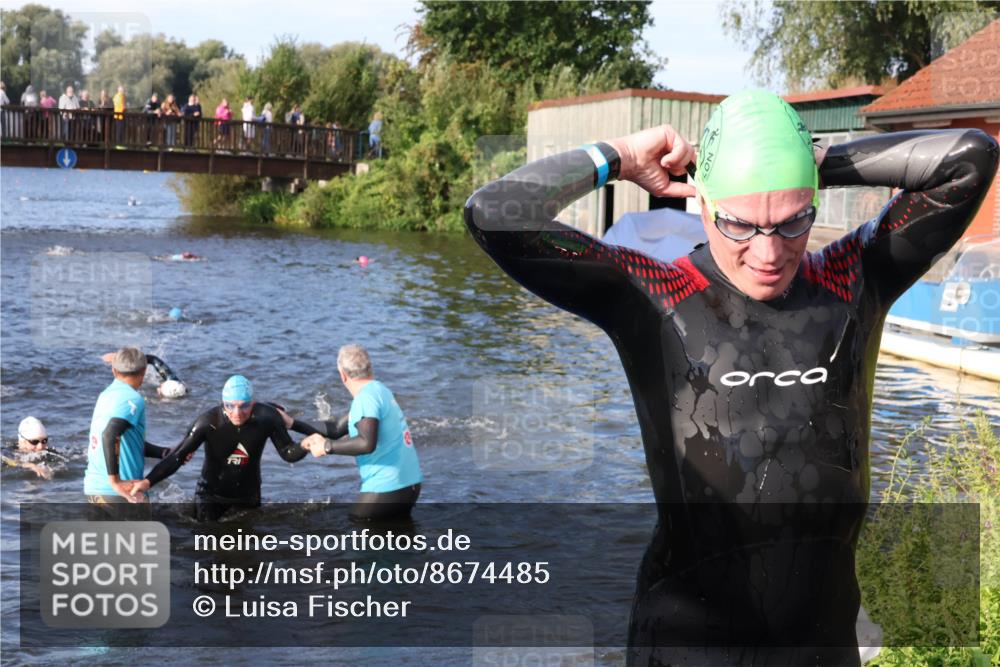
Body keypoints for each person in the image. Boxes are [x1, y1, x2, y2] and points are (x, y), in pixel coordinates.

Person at [464, 89, 999, 665]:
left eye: (794, 220)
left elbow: (968, 158)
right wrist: (617, 156)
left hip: (822, 646)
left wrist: (809, 159)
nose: (768, 251)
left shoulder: (854, 280)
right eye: (740, 225)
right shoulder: (651, 296)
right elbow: (494, 214)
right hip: (687, 645)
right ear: (702, 203)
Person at [130, 375, 309, 521]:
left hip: (248, 496)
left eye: (244, 406)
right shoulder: (208, 422)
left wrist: (306, 444)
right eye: (230, 406)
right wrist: (147, 482)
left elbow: (288, 453)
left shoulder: (267, 417)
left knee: (249, 553)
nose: (237, 413)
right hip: (210, 496)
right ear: (223, 403)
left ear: (253, 403)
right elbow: (178, 457)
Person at [285, 345, 422, 521]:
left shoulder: (365, 399)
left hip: (387, 489)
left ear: (342, 374)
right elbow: (335, 429)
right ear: (369, 367)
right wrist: (291, 423)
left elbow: (366, 443)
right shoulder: (379, 390)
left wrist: (327, 447)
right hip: (410, 484)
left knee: (358, 528)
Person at [84, 347, 172, 505]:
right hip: (122, 494)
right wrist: (115, 482)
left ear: (113, 370)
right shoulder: (133, 398)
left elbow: (126, 442)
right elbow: (110, 435)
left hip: (93, 490)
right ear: (144, 372)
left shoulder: (105, 395)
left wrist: (163, 453)